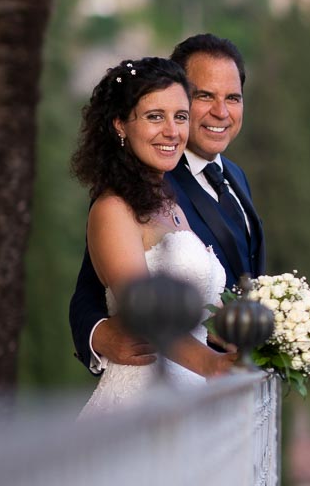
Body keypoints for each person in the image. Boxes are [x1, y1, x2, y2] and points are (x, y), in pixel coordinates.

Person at [67, 33, 310, 377]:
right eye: (204, 96)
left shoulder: (234, 177)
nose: (221, 112)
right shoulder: (132, 189)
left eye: (233, 98)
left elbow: (220, 306)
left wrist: (298, 344)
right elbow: (95, 289)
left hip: (228, 387)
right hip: (162, 379)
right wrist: (97, 334)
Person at [71, 56, 238, 417]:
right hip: (142, 402)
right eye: (154, 116)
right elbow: (146, 313)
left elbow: (210, 313)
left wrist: (290, 339)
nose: (172, 131)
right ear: (120, 125)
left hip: (191, 400)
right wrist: (212, 365)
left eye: (180, 117)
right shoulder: (113, 209)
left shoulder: (171, 205)